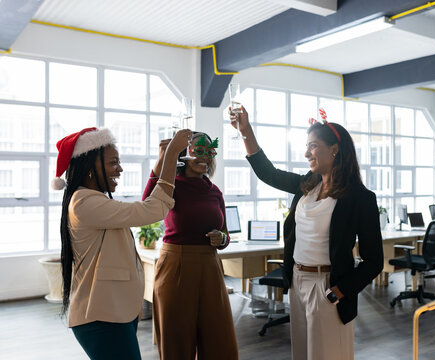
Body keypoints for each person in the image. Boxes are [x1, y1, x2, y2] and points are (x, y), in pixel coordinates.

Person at [230, 106, 384, 360]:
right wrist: (245, 130)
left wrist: (340, 291)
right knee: (302, 354)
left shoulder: (360, 198)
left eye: (313, 146)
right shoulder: (308, 185)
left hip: (328, 286)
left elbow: (374, 260)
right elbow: (267, 173)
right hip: (298, 281)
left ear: (334, 149)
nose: (306, 153)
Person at [54, 126, 191, 360]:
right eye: (113, 162)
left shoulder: (93, 201)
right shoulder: (83, 202)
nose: (120, 169)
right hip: (102, 317)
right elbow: (153, 209)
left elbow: (144, 207)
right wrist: (171, 157)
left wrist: (161, 161)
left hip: (115, 312)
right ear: (89, 168)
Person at [142, 132, 238, 360]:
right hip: (176, 265)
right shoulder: (171, 185)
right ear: (184, 154)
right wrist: (164, 157)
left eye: (209, 152)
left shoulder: (214, 191)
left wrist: (221, 239)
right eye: (198, 151)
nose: (204, 158)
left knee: (218, 338)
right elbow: (147, 203)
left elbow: (225, 234)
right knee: (176, 339)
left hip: (210, 266)